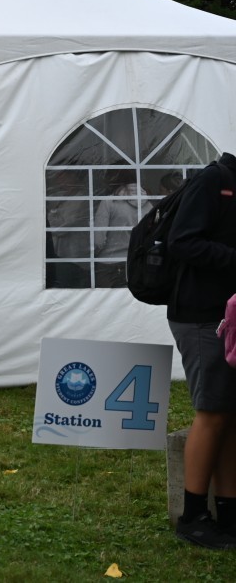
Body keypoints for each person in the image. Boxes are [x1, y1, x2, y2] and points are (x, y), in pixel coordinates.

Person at [166, 151, 236, 549]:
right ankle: (192, 517)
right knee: (211, 412)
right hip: (201, 316)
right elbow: (182, 242)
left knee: (229, 413)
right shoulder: (213, 180)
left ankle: (228, 514)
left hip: (228, 315)